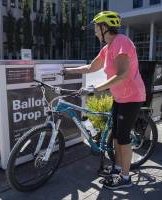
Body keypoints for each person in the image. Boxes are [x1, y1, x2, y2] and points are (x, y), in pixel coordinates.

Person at [63, 11, 146, 190]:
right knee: (116, 136)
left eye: (96, 27)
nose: (94, 32)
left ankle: (125, 178)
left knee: (123, 139)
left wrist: (95, 88)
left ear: (104, 27)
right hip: (119, 97)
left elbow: (122, 74)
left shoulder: (122, 42)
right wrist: (69, 71)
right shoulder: (107, 48)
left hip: (131, 97)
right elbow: (91, 67)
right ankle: (117, 168)